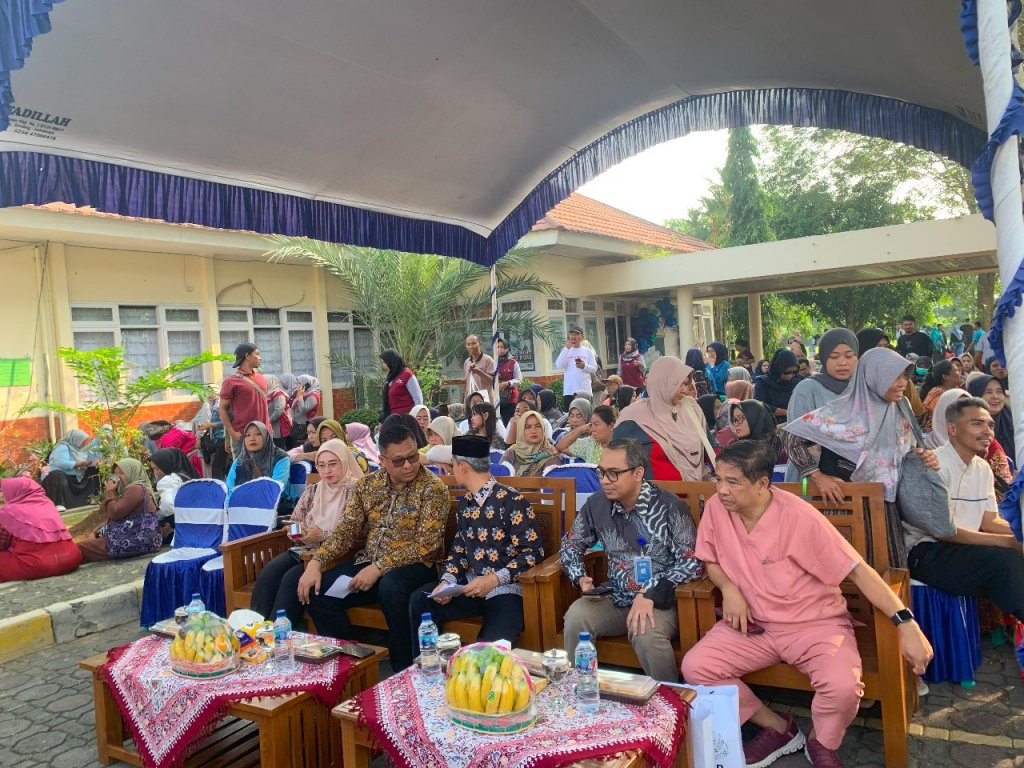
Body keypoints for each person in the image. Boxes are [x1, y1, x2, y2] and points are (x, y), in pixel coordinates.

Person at [681, 441, 932, 768]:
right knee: (697, 667)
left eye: (733, 482)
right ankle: (778, 728)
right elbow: (710, 558)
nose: (721, 490)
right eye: (718, 479)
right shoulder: (718, 508)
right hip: (754, 626)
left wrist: (906, 622)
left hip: (815, 626)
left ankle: (821, 742)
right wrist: (729, 589)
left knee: (843, 688)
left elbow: (858, 571)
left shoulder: (799, 517)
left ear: (762, 484)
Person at [297, 422, 450, 671]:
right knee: (318, 592)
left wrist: (379, 568)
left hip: (417, 566)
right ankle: (354, 663)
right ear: (382, 460)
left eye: (412, 457)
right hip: (369, 563)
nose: (408, 465)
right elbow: (346, 531)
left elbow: (427, 546)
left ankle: (402, 668)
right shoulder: (368, 486)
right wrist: (316, 562)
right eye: (399, 461)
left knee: (392, 588)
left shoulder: (432, 488)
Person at [783, 347, 941, 568]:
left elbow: (907, 450)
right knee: (844, 572)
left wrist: (925, 457)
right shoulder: (841, 412)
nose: (903, 383)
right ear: (874, 377)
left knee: (889, 568)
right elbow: (792, 438)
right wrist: (818, 477)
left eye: (904, 376)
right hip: (845, 504)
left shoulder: (901, 407)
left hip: (886, 505)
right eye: (894, 377)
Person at [560, 439, 703, 681]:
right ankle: (579, 690)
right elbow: (570, 546)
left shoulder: (670, 507)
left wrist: (651, 592)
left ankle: (668, 699)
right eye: (601, 472)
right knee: (577, 616)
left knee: (644, 629)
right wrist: (580, 578)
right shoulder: (597, 505)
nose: (604, 480)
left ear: (638, 473)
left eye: (613, 473)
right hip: (617, 595)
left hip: (662, 601)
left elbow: (692, 562)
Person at [411, 435, 544, 645]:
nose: (451, 469)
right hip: (470, 587)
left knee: (491, 647)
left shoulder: (512, 501)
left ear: (463, 467)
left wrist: (493, 580)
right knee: (421, 600)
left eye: (453, 464)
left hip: (505, 589)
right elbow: (459, 550)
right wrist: (447, 582)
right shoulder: (466, 503)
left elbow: (532, 553)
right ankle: (427, 663)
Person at [904, 397, 1024, 619]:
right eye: (977, 423)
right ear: (952, 428)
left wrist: (1020, 532)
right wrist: (1009, 542)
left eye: (990, 425)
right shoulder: (933, 464)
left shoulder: (983, 468)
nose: (987, 431)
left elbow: (990, 521)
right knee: (1005, 561)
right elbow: (943, 532)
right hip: (927, 552)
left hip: (965, 549)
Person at [250, 439, 362, 624]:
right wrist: (296, 531)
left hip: (338, 555)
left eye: (333, 464)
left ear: (344, 462)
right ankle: (254, 627)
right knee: (269, 572)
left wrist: (323, 535)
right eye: (321, 465)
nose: (327, 471)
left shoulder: (356, 490)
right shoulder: (314, 490)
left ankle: (278, 633)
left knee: (291, 579)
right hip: (305, 548)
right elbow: (295, 521)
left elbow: (356, 531)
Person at [613, 357, 713, 481]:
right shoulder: (633, 417)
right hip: (654, 492)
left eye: (686, 384)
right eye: (679, 384)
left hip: (697, 491)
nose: (685, 390)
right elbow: (617, 459)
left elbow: (710, 445)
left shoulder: (691, 409)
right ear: (662, 382)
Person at [784, 329, 859, 481]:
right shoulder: (807, 389)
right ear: (824, 357)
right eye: (834, 357)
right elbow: (794, 439)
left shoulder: (862, 388)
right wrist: (818, 476)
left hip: (854, 480)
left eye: (849, 356)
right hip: (814, 480)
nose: (842, 362)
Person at [77, 459, 163, 563]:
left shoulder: (136, 489)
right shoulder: (138, 489)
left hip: (130, 540)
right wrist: (97, 531)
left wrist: (109, 492)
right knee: (84, 547)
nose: (117, 477)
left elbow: (115, 513)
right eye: (116, 473)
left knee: (77, 549)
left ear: (133, 472)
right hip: (134, 538)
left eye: (122, 473)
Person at [0, 477, 82, 582]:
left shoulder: (8, 512)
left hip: (36, 565)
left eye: (4, 491)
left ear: (14, 492)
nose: (3, 495)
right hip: (71, 559)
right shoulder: (48, 505)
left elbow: (2, 544)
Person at [219, 343, 270, 458]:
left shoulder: (261, 378)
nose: (260, 358)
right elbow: (222, 409)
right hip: (243, 436)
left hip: (265, 434)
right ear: (247, 356)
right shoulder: (231, 382)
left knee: (266, 467)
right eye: (257, 354)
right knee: (244, 468)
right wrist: (232, 433)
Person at [148, 447, 199, 545]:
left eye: (157, 468)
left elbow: (168, 507)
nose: (156, 473)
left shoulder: (169, 480)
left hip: (176, 530)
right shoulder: (186, 476)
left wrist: (171, 525)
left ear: (167, 463)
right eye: (153, 469)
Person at [225, 421, 290, 497]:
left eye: (258, 434)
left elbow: (276, 490)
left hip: (278, 502)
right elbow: (229, 491)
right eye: (248, 435)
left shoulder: (280, 458)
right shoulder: (239, 461)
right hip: (244, 502)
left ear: (265, 436)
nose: (252, 439)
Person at [41, 429, 99, 510]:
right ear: (76, 440)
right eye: (83, 441)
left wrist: (92, 463)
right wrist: (80, 464)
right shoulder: (62, 447)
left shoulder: (82, 449)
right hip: (60, 477)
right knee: (58, 475)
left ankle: (92, 497)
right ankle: (59, 503)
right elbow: (61, 463)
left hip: (75, 476)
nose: (85, 444)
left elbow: (87, 460)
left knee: (93, 470)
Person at [967, 374, 1016, 464]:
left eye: (999, 392)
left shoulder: (1013, 418)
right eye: (988, 392)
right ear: (976, 395)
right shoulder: (966, 425)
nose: (995, 396)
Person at [501, 411, 560, 476]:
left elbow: (552, 481)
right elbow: (498, 477)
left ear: (543, 429)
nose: (533, 431)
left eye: (538, 426)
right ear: (521, 430)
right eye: (528, 427)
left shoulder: (551, 454)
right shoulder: (512, 452)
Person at [556, 326, 599, 409]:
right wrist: (566, 349)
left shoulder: (587, 351)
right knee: (569, 414)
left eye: (576, 334)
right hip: (569, 391)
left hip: (584, 390)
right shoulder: (566, 351)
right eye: (572, 334)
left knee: (586, 413)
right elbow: (559, 365)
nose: (573, 336)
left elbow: (594, 368)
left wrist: (584, 366)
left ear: (582, 337)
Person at [753, 349, 801, 423]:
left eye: (794, 372)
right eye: (786, 372)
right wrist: (785, 412)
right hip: (771, 423)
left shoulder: (797, 380)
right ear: (778, 369)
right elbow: (759, 405)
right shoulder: (763, 382)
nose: (790, 375)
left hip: (796, 422)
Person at [379, 349, 423, 422]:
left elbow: (418, 399)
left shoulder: (407, 375)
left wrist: (416, 419)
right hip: (394, 419)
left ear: (391, 362)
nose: (383, 365)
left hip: (407, 420)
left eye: (384, 362)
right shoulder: (391, 378)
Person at [919, 360, 961, 433]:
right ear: (945, 376)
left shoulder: (949, 392)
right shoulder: (939, 396)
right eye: (956, 371)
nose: (960, 373)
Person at [494, 337, 523, 425]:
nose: (500, 349)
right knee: (497, 424)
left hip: (510, 400)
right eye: (498, 347)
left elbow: (519, 379)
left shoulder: (513, 362)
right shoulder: (494, 362)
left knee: (508, 424)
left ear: (507, 348)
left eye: (502, 347)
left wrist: (508, 383)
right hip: (496, 399)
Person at [464, 334, 497, 404]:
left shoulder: (488, 360)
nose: (471, 346)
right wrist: (465, 402)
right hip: (471, 401)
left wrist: (479, 372)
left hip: (485, 401)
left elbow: (493, 381)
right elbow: (467, 384)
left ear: (480, 344)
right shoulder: (467, 362)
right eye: (468, 344)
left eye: (473, 343)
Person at [265, 374, 291, 449]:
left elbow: (279, 410)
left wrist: (268, 421)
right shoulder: (267, 394)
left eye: (265, 382)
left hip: (277, 429)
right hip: (270, 427)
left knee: (278, 448)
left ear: (270, 382)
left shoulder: (278, 394)